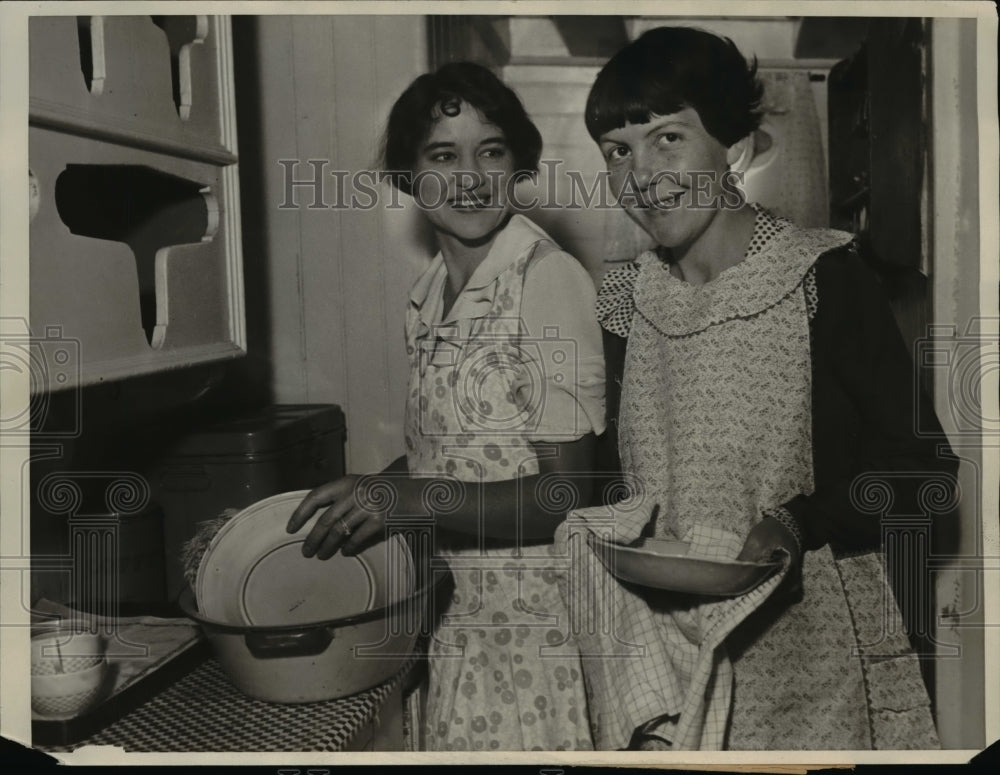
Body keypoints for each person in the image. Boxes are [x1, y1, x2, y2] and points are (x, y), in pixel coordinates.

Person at [582, 26, 958, 750]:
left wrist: (800, 520)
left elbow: (926, 472)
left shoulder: (824, 279)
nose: (642, 175)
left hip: (814, 657)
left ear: (736, 149)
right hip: (668, 650)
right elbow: (619, 475)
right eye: (617, 152)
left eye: (667, 138)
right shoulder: (625, 300)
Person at [287, 62, 603, 752]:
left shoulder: (545, 280)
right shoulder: (429, 297)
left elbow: (565, 491)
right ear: (408, 173)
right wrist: (382, 482)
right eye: (442, 154)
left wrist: (413, 496)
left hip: (534, 631)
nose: (469, 177)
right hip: (456, 617)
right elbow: (462, 450)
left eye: (491, 151)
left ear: (517, 163)